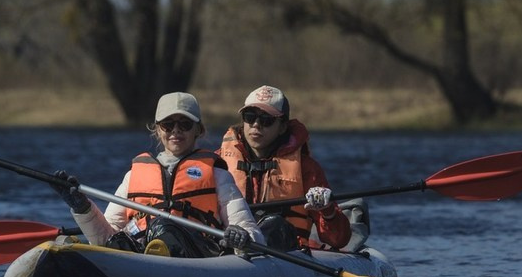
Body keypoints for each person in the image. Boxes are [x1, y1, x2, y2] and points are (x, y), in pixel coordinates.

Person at [55, 92, 262, 258]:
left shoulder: (218, 176)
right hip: (141, 255)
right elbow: (104, 239)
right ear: (158, 130)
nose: (176, 131)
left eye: (185, 124)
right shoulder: (133, 176)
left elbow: (253, 234)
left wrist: (242, 237)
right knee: (122, 240)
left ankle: (159, 255)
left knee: (165, 225)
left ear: (198, 130)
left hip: (197, 258)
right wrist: (82, 208)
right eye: (168, 125)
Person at [218, 85, 352, 252]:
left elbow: (338, 240)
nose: (256, 125)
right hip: (230, 245)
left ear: (282, 127)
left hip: (285, 251)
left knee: (275, 224)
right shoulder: (218, 162)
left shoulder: (306, 168)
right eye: (250, 117)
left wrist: (328, 210)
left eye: (266, 120)